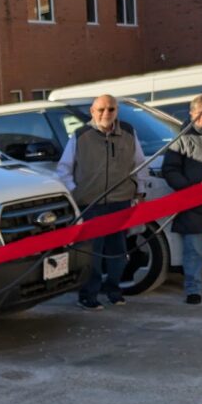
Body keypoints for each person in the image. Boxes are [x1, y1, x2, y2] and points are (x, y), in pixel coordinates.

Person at [56, 94, 149, 311]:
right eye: (101, 110)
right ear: (92, 111)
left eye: (111, 109)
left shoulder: (128, 132)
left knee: (118, 252)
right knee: (92, 255)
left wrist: (140, 191)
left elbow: (140, 164)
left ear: (116, 111)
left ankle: (113, 291)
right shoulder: (81, 136)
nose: (106, 114)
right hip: (91, 205)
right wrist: (76, 192)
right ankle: (88, 294)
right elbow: (63, 169)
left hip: (120, 202)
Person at [162, 92, 202, 304]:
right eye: (199, 113)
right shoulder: (182, 139)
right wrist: (189, 190)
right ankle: (193, 290)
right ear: (191, 114)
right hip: (194, 204)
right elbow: (170, 169)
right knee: (194, 250)